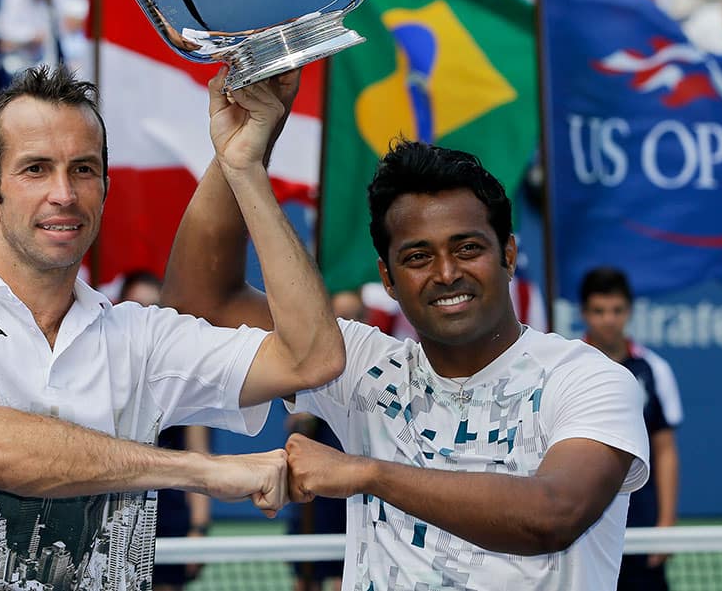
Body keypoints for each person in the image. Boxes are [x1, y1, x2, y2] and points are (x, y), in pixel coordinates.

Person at [0, 65, 345, 591]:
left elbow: (311, 358)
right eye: (35, 169)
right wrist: (199, 470)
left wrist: (242, 165)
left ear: (105, 189)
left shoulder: (140, 337)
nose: (63, 194)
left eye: (83, 170)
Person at [162, 76, 650, 590]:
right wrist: (240, 163)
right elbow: (205, 305)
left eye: (467, 248)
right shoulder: (363, 368)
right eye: (418, 257)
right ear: (389, 279)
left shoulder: (587, 378)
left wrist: (367, 473)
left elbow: (553, 514)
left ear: (508, 255)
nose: (445, 273)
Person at [579, 268, 683, 591]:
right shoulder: (566, 367)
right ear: (583, 313)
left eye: (616, 310)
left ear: (629, 311)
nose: (608, 320)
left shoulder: (654, 369)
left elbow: (664, 450)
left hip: (640, 528)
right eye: (599, 311)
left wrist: (664, 525)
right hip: (582, 528)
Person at [117, 270, 212, 591]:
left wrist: (199, 528)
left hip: (168, 515)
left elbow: (198, 453)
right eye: (136, 306)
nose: (143, 316)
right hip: (114, 515)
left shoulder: (180, 383)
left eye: (152, 308)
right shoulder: (102, 374)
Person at [286, 289, 364, 591]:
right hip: (314, 508)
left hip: (355, 507)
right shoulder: (312, 375)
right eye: (339, 317)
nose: (346, 324)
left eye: (353, 316)